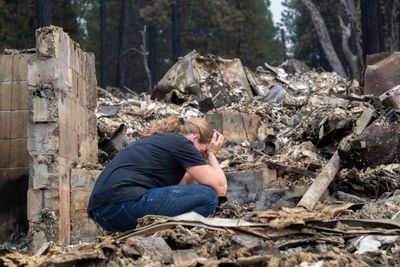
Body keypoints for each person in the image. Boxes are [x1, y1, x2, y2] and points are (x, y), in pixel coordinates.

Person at [87, 115, 227, 232]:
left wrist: (203, 163)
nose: (201, 157)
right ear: (195, 138)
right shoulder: (183, 143)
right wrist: (211, 153)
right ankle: (173, 237)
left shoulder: (164, 143)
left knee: (201, 193)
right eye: (202, 152)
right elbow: (220, 188)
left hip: (104, 213)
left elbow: (186, 188)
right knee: (208, 196)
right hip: (122, 205)